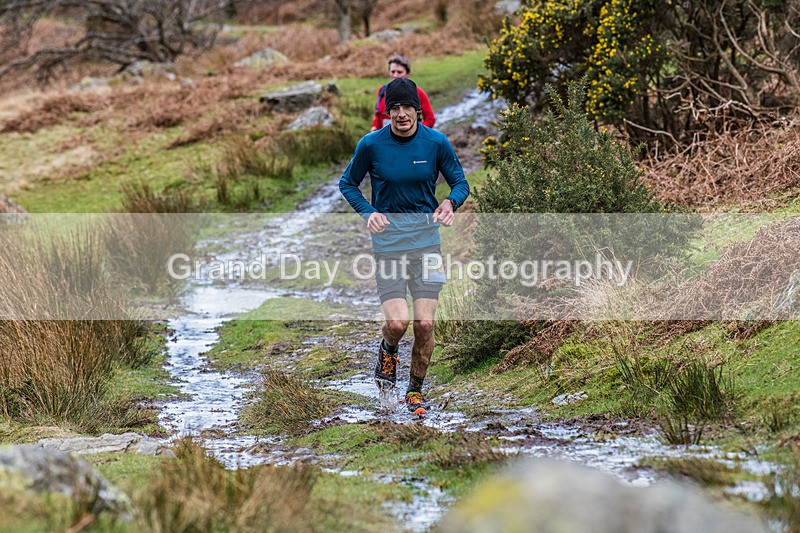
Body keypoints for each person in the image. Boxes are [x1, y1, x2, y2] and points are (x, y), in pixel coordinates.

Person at [340, 77, 469, 415]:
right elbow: (347, 183)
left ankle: (414, 391)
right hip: (389, 246)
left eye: (406, 107)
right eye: (393, 108)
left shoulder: (435, 143)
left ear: (417, 110)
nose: (400, 114)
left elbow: (460, 182)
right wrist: (368, 212)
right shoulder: (370, 145)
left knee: (424, 324)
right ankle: (387, 349)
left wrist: (450, 203)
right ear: (386, 113)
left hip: (427, 244)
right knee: (397, 324)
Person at [371, 54, 435, 132]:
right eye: (393, 72)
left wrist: (414, 130)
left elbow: (430, 119)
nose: (395, 75)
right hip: (385, 139)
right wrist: (374, 127)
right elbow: (378, 115)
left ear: (407, 74)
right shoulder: (382, 90)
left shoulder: (418, 93)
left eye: (399, 72)